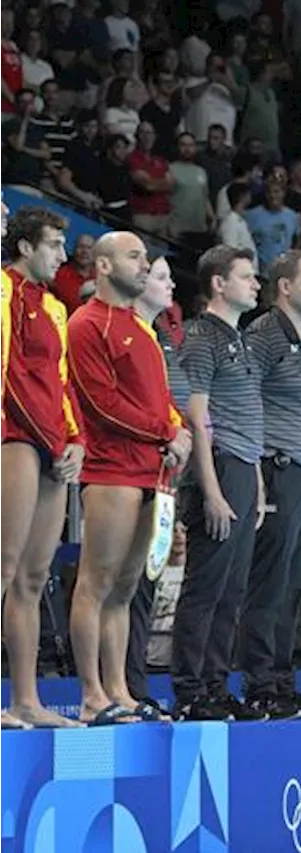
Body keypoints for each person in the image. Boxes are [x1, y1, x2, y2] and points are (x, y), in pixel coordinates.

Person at [67, 232, 189, 725]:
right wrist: (167, 430)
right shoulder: (86, 324)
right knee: (95, 583)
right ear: (102, 265)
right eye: (134, 256)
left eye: (145, 257)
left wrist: (178, 431)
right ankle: (92, 694)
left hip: (152, 471)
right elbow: (100, 403)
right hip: (112, 470)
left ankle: (120, 690)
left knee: (126, 588)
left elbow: (160, 399)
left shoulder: (141, 327)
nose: (144, 265)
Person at [169, 245, 267, 722]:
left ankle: (214, 684)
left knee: (232, 589)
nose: (256, 284)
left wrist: (258, 481)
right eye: (247, 277)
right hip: (220, 466)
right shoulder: (201, 337)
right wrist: (209, 488)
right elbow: (197, 416)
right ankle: (190, 690)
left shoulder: (241, 338)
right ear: (218, 284)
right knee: (207, 585)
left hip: (244, 468)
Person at [238, 250, 301, 719]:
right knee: (270, 582)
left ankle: (282, 680)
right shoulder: (262, 334)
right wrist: (255, 471)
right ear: (285, 287)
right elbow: (240, 396)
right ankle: (260, 683)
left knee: (297, 584)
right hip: (278, 470)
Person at [0, 207, 82, 729]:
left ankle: (26, 700)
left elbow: (62, 381)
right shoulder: (2, 291)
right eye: (54, 244)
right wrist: (47, 438)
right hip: (13, 436)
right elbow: (6, 373)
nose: (63, 255)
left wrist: (73, 439)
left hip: (53, 446)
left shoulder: (55, 308)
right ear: (26, 247)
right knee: (3, 566)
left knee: (34, 577)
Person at [125, 257, 189, 712]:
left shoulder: (161, 338)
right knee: (120, 586)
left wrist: (178, 435)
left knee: (145, 581)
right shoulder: (121, 329)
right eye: (161, 277)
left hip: (163, 475)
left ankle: (135, 686)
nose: (169, 286)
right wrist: (168, 434)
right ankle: (120, 688)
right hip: (123, 473)